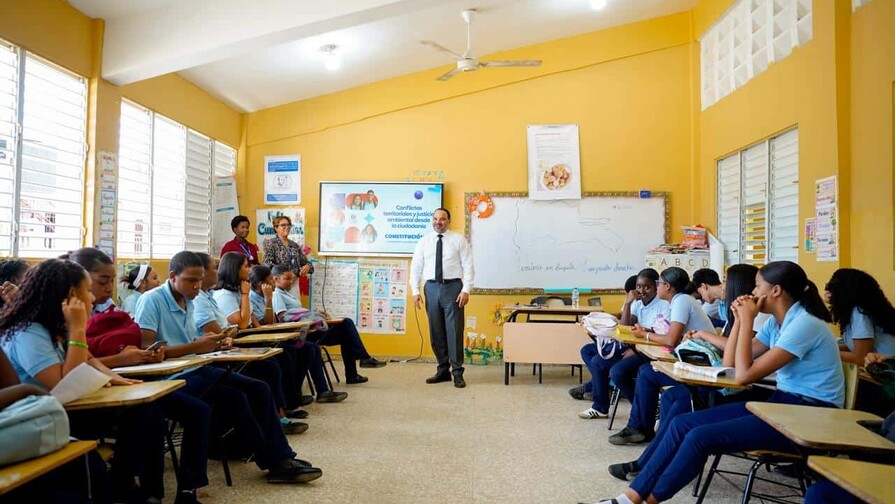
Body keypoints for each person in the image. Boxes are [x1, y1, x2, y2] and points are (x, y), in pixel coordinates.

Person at [587, 261, 844, 504]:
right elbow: (733, 364)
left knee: (700, 436)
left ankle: (651, 499)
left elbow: (743, 375)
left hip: (809, 416)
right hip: (779, 404)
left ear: (775, 291)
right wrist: (742, 322)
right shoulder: (779, 322)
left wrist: (746, 321)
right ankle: (630, 496)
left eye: (757, 286)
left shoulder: (804, 325)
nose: (752, 292)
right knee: (681, 423)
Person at [133, 251, 323, 484]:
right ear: (172, 276)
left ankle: (280, 457)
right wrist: (198, 345)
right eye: (191, 280)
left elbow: (197, 342)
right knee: (236, 396)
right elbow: (148, 351)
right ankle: (275, 461)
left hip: (196, 365)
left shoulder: (190, 299)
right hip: (172, 374)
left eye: (200, 280)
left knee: (259, 388)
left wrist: (215, 343)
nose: (197, 286)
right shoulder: (151, 300)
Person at [0, 258, 167, 503]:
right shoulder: (28, 331)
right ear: (71, 296)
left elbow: (89, 360)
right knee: (102, 451)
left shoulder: (54, 325)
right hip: (46, 415)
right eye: (87, 290)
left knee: (147, 409)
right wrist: (78, 329)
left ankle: (139, 489)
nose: (92, 298)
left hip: (69, 408)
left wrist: (118, 380)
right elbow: (61, 384)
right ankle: (124, 487)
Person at [65, 247, 212, 504]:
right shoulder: (66, 317)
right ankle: (134, 487)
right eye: (101, 282)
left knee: (161, 409)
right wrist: (121, 362)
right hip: (75, 402)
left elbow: (90, 359)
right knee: (151, 411)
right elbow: (67, 374)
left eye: (111, 280)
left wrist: (126, 368)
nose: (109, 287)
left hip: (116, 380)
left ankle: (165, 491)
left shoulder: (105, 308)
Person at [607, 264, 771, 482]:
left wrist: (708, 333)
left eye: (725, 281)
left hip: (749, 388)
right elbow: (731, 361)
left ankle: (653, 462)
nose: (721, 287)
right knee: (670, 395)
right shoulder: (743, 314)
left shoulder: (757, 318)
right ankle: (652, 459)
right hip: (728, 377)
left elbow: (736, 367)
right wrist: (738, 320)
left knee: (675, 400)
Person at [192, 253, 312, 423]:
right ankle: (281, 411)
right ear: (235, 269)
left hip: (236, 340)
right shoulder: (226, 295)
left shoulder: (231, 294)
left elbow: (258, 324)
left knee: (297, 351)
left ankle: (288, 403)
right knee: (275, 363)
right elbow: (241, 325)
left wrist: (268, 299)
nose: (249, 269)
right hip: (227, 349)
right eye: (245, 266)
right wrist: (245, 296)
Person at [608, 266, 715, 445]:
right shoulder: (679, 300)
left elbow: (671, 340)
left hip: (701, 364)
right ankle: (639, 427)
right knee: (645, 371)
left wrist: (646, 335)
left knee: (647, 373)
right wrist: (648, 331)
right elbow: (671, 334)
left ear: (668, 286)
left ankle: (640, 427)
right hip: (691, 357)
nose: (656, 287)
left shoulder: (681, 301)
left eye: (658, 283)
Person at [0, 347, 112, 504]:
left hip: (32, 425)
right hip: (44, 419)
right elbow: (67, 383)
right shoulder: (28, 334)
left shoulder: (53, 333)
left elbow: (10, 387)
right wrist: (26, 390)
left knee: (89, 463)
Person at [573, 271, 670, 420]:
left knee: (617, 372)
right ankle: (600, 407)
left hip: (649, 352)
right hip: (633, 347)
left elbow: (661, 334)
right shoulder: (637, 304)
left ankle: (646, 408)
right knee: (597, 362)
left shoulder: (663, 305)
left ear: (656, 286)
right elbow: (624, 327)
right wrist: (629, 302)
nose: (642, 291)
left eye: (647, 287)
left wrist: (633, 349)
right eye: (639, 287)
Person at [271, 265, 386, 385]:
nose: (291, 281)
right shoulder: (277, 295)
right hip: (303, 334)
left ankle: (353, 373)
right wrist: (311, 315)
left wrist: (314, 313)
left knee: (346, 333)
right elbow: (284, 317)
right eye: (287, 278)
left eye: (292, 279)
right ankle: (363, 358)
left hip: (311, 328)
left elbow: (298, 313)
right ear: (276, 279)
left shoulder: (287, 294)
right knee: (347, 324)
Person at [409, 208, 474, 388]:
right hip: (430, 288)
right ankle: (443, 370)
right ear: (432, 220)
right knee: (436, 332)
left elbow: (468, 266)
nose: (438, 222)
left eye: (443, 219)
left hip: (453, 288)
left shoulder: (459, 240)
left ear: (449, 221)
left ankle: (457, 373)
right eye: (436, 219)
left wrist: (466, 289)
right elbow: (416, 267)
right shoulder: (424, 242)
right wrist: (415, 291)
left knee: (454, 331)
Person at [825, 268, 895, 365]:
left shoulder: (859, 313)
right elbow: (854, 345)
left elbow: (861, 358)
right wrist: (829, 347)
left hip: (886, 370)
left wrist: (825, 353)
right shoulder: (853, 312)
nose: (828, 289)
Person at [262, 215, 312, 286]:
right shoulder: (271, 244)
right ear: (276, 228)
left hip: (294, 284)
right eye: (283, 225)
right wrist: (286, 274)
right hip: (279, 284)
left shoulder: (294, 245)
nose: (287, 227)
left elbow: (306, 262)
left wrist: (308, 266)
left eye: (289, 225)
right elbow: (266, 265)